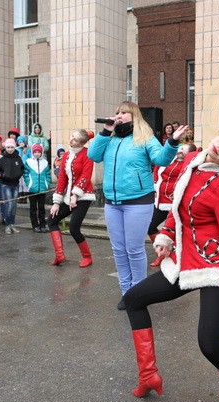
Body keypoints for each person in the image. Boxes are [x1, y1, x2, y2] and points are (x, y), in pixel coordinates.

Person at [122, 125, 219, 402]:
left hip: (216, 267)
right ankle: (148, 375)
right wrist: (165, 236)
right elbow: (178, 209)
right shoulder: (194, 161)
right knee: (134, 300)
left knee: (209, 344)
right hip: (183, 261)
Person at [87, 101, 180, 310]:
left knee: (134, 249)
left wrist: (172, 142)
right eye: (117, 112)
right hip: (113, 202)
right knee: (118, 249)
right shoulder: (109, 138)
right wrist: (104, 131)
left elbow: (161, 159)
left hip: (138, 202)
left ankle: (138, 293)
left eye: (124, 113)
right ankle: (126, 292)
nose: (119, 115)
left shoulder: (144, 137)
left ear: (134, 116)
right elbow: (92, 155)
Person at [49, 130, 96, 267]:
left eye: (75, 140)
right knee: (52, 219)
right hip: (69, 196)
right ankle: (59, 255)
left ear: (81, 143)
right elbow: (62, 178)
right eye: (71, 137)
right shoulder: (67, 155)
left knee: (74, 228)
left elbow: (86, 176)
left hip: (84, 195)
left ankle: (87, 257)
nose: (71, 141)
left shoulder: (88, 154)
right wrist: (56, 202)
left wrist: (75, 195)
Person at [146, 143, 196, 267]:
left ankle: (174, 255)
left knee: (176, 231)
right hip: (160, 201)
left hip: (176, 203)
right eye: (179, 147)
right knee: (150, 226)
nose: (179, 150)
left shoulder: (188, 166)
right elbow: (157, 169)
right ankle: (161, 253)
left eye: (183, 149)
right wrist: (156, 184)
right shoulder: (168, 159)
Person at [0, 138, 25, 234]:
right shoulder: (2, 157)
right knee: (8, 205)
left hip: (15, 184)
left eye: (12, 147)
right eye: (8, 147)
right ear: (5, 148)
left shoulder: (18, 157)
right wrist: (2, 175)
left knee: (14, 206)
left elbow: (22, 168)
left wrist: (19, 174)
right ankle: (7, 225)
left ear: (14, 148)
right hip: (6, 185)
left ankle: (12, 224)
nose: (10, 149)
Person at [24, 143, 52, 233]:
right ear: (32, 152)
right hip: (32, 190)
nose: (37, 153)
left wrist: (46, 183)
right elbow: (26, 174)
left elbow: (48, 174)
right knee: (33, 208)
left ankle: (43, 225)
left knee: (41, 208)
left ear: (41, 152)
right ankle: (35, 225)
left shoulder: (45, 162)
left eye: (38, 152)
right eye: (35, 152)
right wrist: (29, 184)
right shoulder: (29, 162)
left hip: (42, 189)